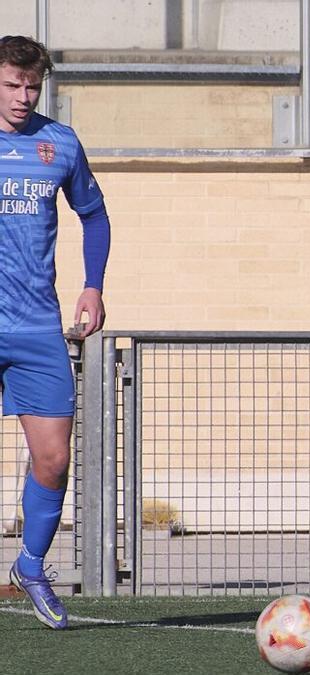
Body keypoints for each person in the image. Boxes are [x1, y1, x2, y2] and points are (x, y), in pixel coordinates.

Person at [1, 35, 111, 630]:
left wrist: (93, 285)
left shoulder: (58, 143)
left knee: (52, 459)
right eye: (11, 85)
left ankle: (31, 565)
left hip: (36, 326)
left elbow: (93, 213)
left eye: (32, 86)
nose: (22, 97)